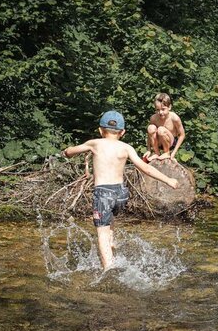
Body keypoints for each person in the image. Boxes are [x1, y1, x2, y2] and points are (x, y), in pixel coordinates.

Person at [63, 110, 178, 270]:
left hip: (103, 193)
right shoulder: (126, 147)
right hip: (121, 194)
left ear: (100, 130)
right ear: (122, 132)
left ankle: (109, 269)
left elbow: (70, 152)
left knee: (101, 234)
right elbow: (144, 167)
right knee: (109, 226)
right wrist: (168, 180)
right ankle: (112, 251)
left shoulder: (95, 143)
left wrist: (66, 151)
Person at [144, 93, 185, 161]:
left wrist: (174, 152)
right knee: (150, 128)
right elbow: (149, 134)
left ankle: (167, 152)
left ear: (169, 107)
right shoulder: (153, 118)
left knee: (161, 129)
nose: (160, 112)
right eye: (157, 110)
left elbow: (182, 135)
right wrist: (148, 150)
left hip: (170, 142)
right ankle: (156, 152)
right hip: (159, 142)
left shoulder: (174, 118)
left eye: (163, 109)